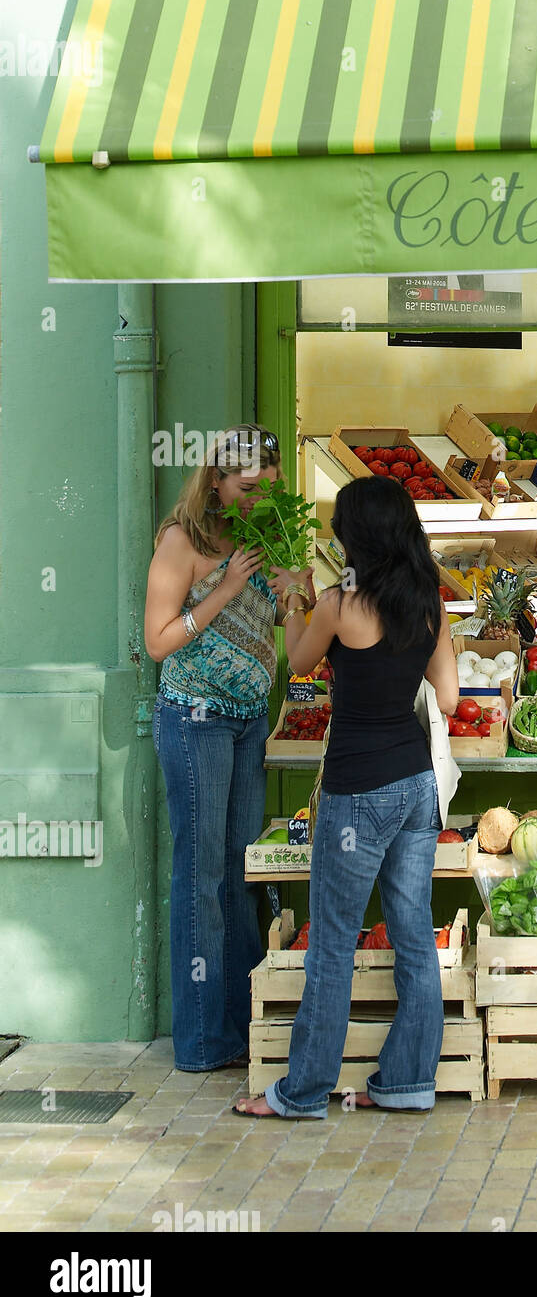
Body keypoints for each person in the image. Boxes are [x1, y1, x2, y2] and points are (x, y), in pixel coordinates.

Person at [235, 474, 459, 1118]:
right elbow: (445, 699)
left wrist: (290, 604)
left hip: (357, 790)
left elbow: (301, 662)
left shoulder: (338, 602)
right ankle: (409, 1082)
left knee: (333, 941)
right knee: (415, 937)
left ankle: (302, 1091)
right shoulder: (429, 601)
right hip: (418, 787)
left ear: (357, 536)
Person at [145, 424, 309, 1073]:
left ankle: (249, 1031)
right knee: (201, 878)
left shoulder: (264, 537)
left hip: (248, 723)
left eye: (271, 487)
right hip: (195, 721)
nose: (260, 498)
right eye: (248, 488)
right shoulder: (180, 541)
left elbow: (286, 631)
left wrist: (293, 585)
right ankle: (202, 1042)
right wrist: (223, 589)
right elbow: (159, 641)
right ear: (216, 482)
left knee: (245, 873)